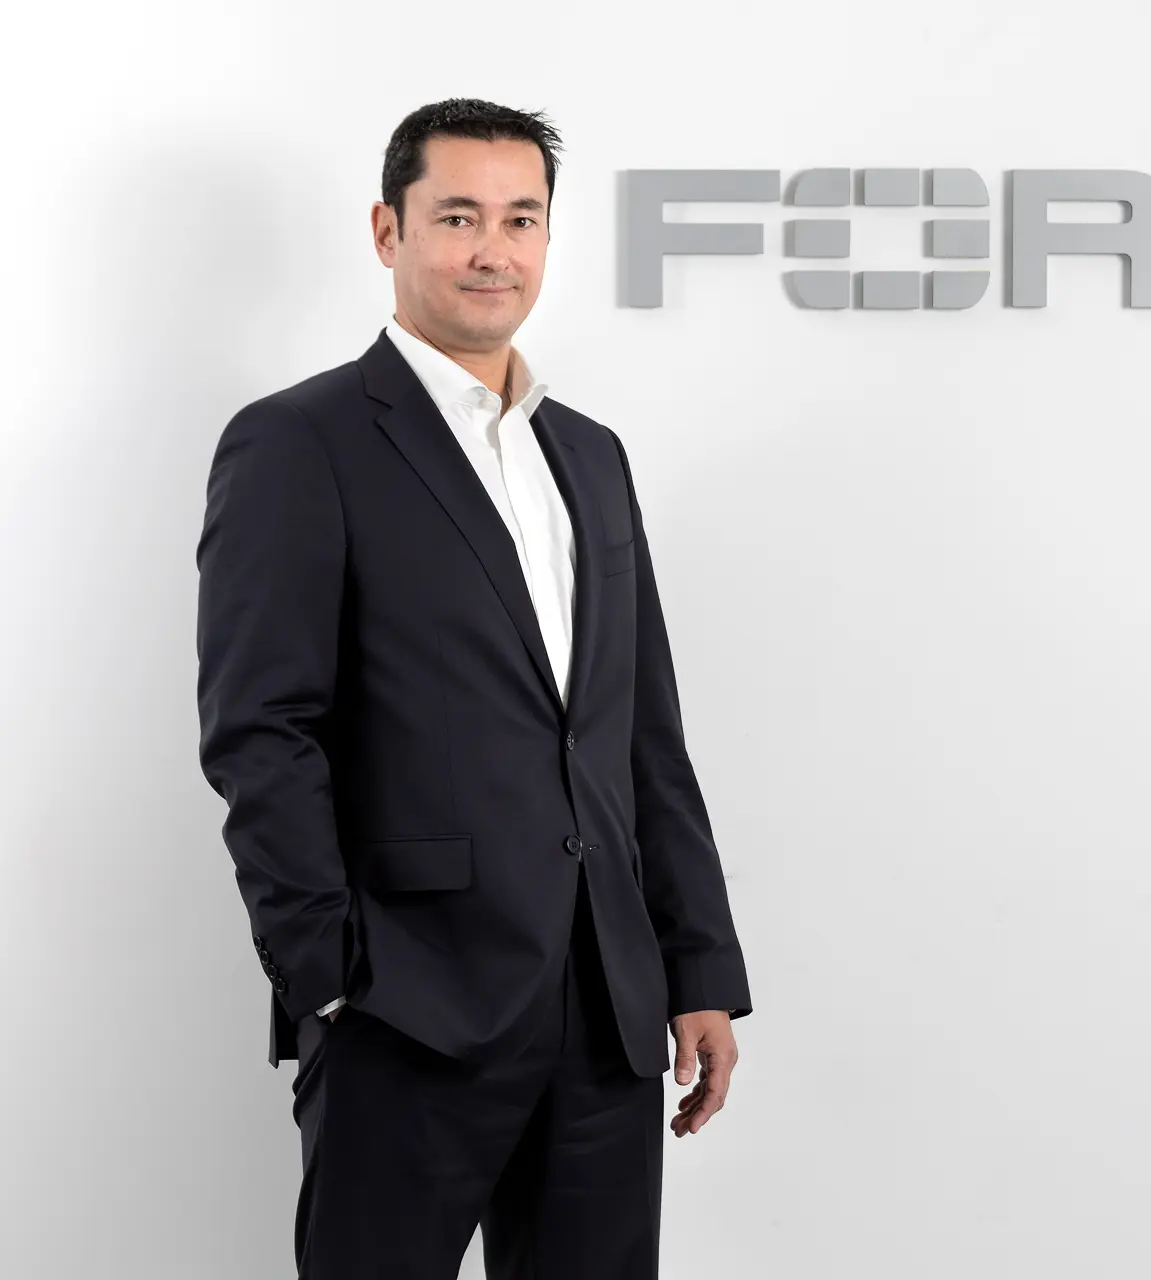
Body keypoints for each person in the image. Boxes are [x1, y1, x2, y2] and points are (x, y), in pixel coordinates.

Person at [194, 97, 752, 1279]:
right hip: (406, 1006)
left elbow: (642, 731)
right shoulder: (301, 441)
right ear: (388, 231)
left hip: (606, 1014)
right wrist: (329, 979)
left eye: (520, 218)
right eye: (457, 216)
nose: (492, 249)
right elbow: (261, 730)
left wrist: (696, 965)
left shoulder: (588, 454)